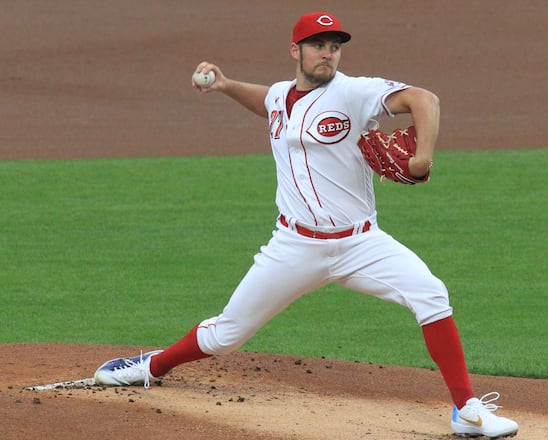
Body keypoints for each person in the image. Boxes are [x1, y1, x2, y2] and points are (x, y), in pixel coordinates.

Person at [94, 11, 519, 438]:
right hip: (294, 247)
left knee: (431, 293)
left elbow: (425, 99)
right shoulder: (282, 96)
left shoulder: (354, 92)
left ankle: (466, 409)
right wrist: (225, 86)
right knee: (227, 334)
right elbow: (269, 101)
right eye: (318, 45)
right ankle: (150, 366)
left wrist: (423, 156)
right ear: (295, 50)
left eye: (335, 46)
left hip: (361, 244)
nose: (328, 54)